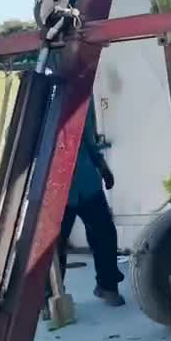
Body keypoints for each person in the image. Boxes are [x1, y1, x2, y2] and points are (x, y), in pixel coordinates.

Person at [53, 101, 125, 307]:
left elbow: (88, 141)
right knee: (54, 245)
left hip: (87, 183)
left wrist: (102, 167)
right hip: (56, 190)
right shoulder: (41, 104)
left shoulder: (79, 104)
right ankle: (51, 295)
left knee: (105, 234)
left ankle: (108, 286)